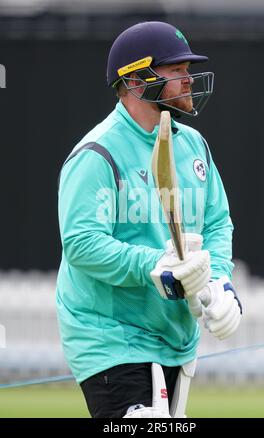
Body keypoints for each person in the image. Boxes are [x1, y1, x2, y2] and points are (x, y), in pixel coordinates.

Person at [56, 21, 242, 419]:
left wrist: (218, 281)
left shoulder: (193, 145)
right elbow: (81, 243)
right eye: (176, 71)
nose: (189, 79)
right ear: (137, 80)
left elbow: (217, 223)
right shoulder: (97, 154)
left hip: (174, 337)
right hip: (109, 337)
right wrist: (152, 264)